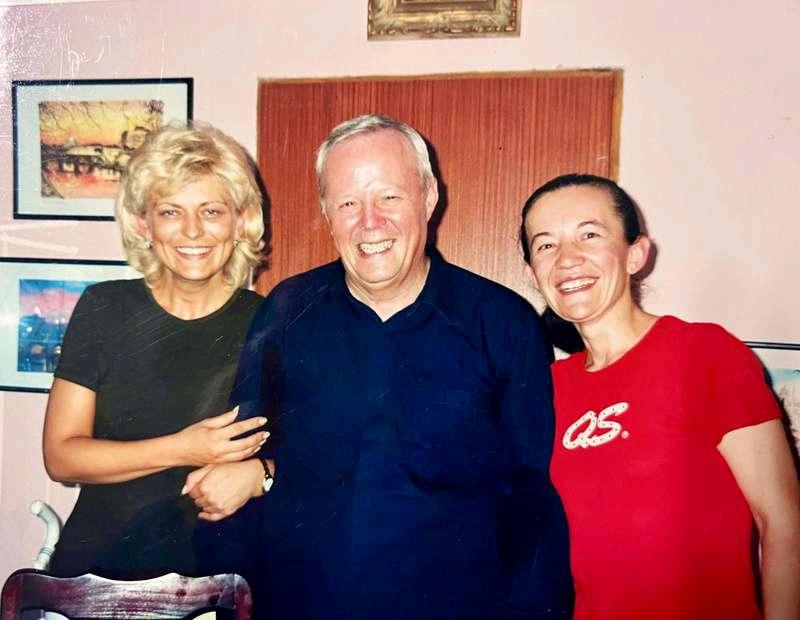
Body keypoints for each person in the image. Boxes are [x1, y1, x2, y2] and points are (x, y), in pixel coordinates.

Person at [186, 114, 573, 619]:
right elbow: (242, 458)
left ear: (428, 197)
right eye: (348, 203)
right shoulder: (286, 311)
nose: (369, 222)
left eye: (389, 197)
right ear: (326, 212)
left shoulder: (503, 324)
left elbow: (529, 502)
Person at [520, 173, 800, 620]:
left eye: (589, 235)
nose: (567, 259)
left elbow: (783, 521)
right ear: (533, 275)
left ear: (635, 254)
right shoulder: (544, 388)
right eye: (546, 245)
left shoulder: (705, 354)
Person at [42, 122, 269, 577]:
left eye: (211, 211)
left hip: (219, 580)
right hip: (97, 576)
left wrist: (260, 475)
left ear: (240, 221)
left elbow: (310, 453)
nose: (192, 231)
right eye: (170, 212)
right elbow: (61, 457)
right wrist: (183, 448)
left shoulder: (270, 320)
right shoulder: (104, 308)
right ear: (143, 224)